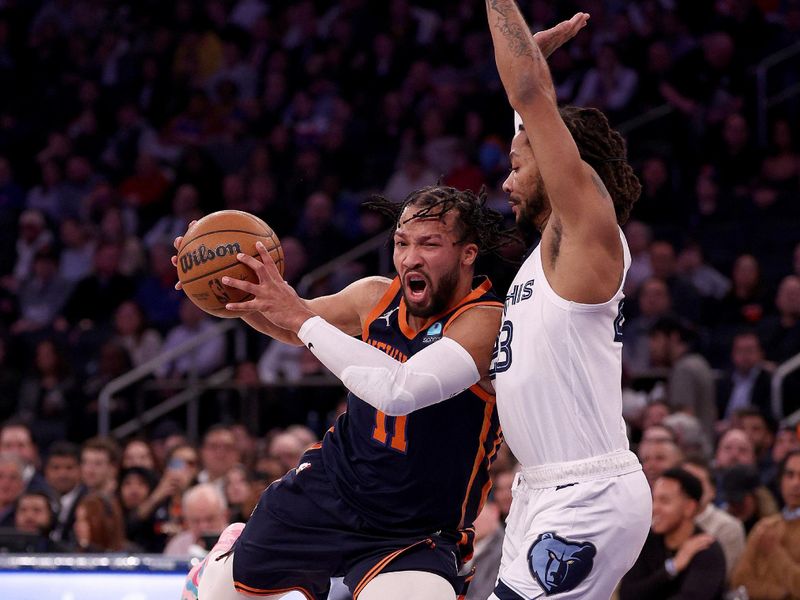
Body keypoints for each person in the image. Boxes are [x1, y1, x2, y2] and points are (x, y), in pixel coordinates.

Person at [176, 183, 508, 600]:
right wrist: (234, 290)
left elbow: (401, 390)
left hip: (415, 526)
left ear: (467, 254)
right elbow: (292, 327)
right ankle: (224, 557)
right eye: (402, 242)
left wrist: (299, 317)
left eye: (429, 244)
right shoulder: (374, 296)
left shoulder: (486, 321)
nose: (410, 257)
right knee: (220, 596)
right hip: (331, 488)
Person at [485, 5, 651, 598]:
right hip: (540, 490)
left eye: (516, 164)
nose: (505, 181)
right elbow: (529, 108)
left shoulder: (583, 233)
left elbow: (531, 100)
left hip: (587, 495)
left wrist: (527, 74)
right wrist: (531, 76)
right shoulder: (547, 252)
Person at [620, 468, 726, 600]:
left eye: (664, 501)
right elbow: (627, 594)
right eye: (654, 499)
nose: (654, 508)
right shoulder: (647, 541)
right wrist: (672, 567)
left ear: (689, 508)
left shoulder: (707, 549)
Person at [731, 450, 800, 598]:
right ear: (781, 480)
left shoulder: (767, 533)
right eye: (790, 475)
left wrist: (775, 552)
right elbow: (739, 582)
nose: (796, 483)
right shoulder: (765, 526)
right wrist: (779, 594)